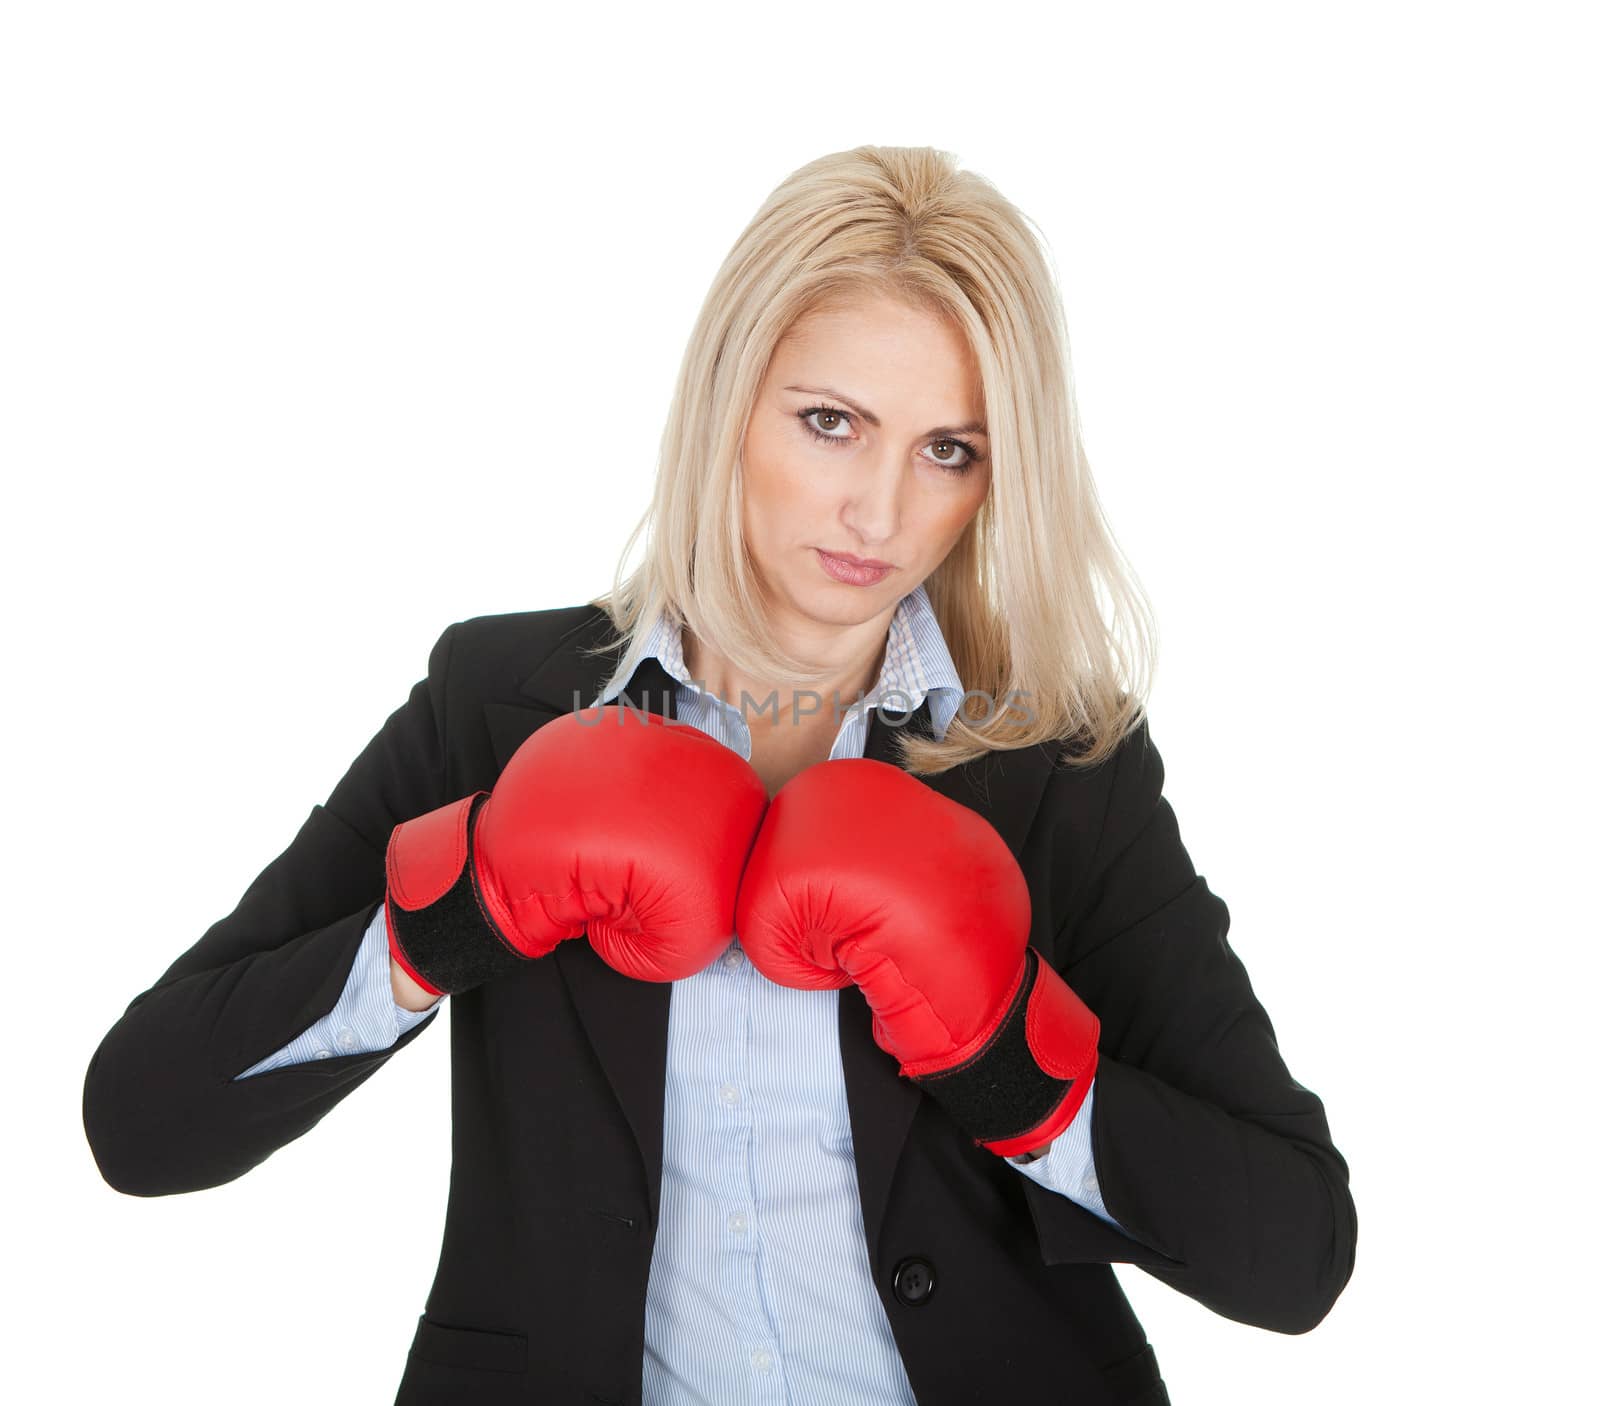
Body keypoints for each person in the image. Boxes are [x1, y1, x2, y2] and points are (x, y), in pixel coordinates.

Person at [82, 143, 1357, 1404]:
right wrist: (445, 919)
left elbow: (1298, 1248)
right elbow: (141, 1120)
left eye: (948, 449)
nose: (878, 510)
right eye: (830, 422)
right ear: (727, 401)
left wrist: (1020, 1070)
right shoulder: (501, 702)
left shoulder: (1054, 758)